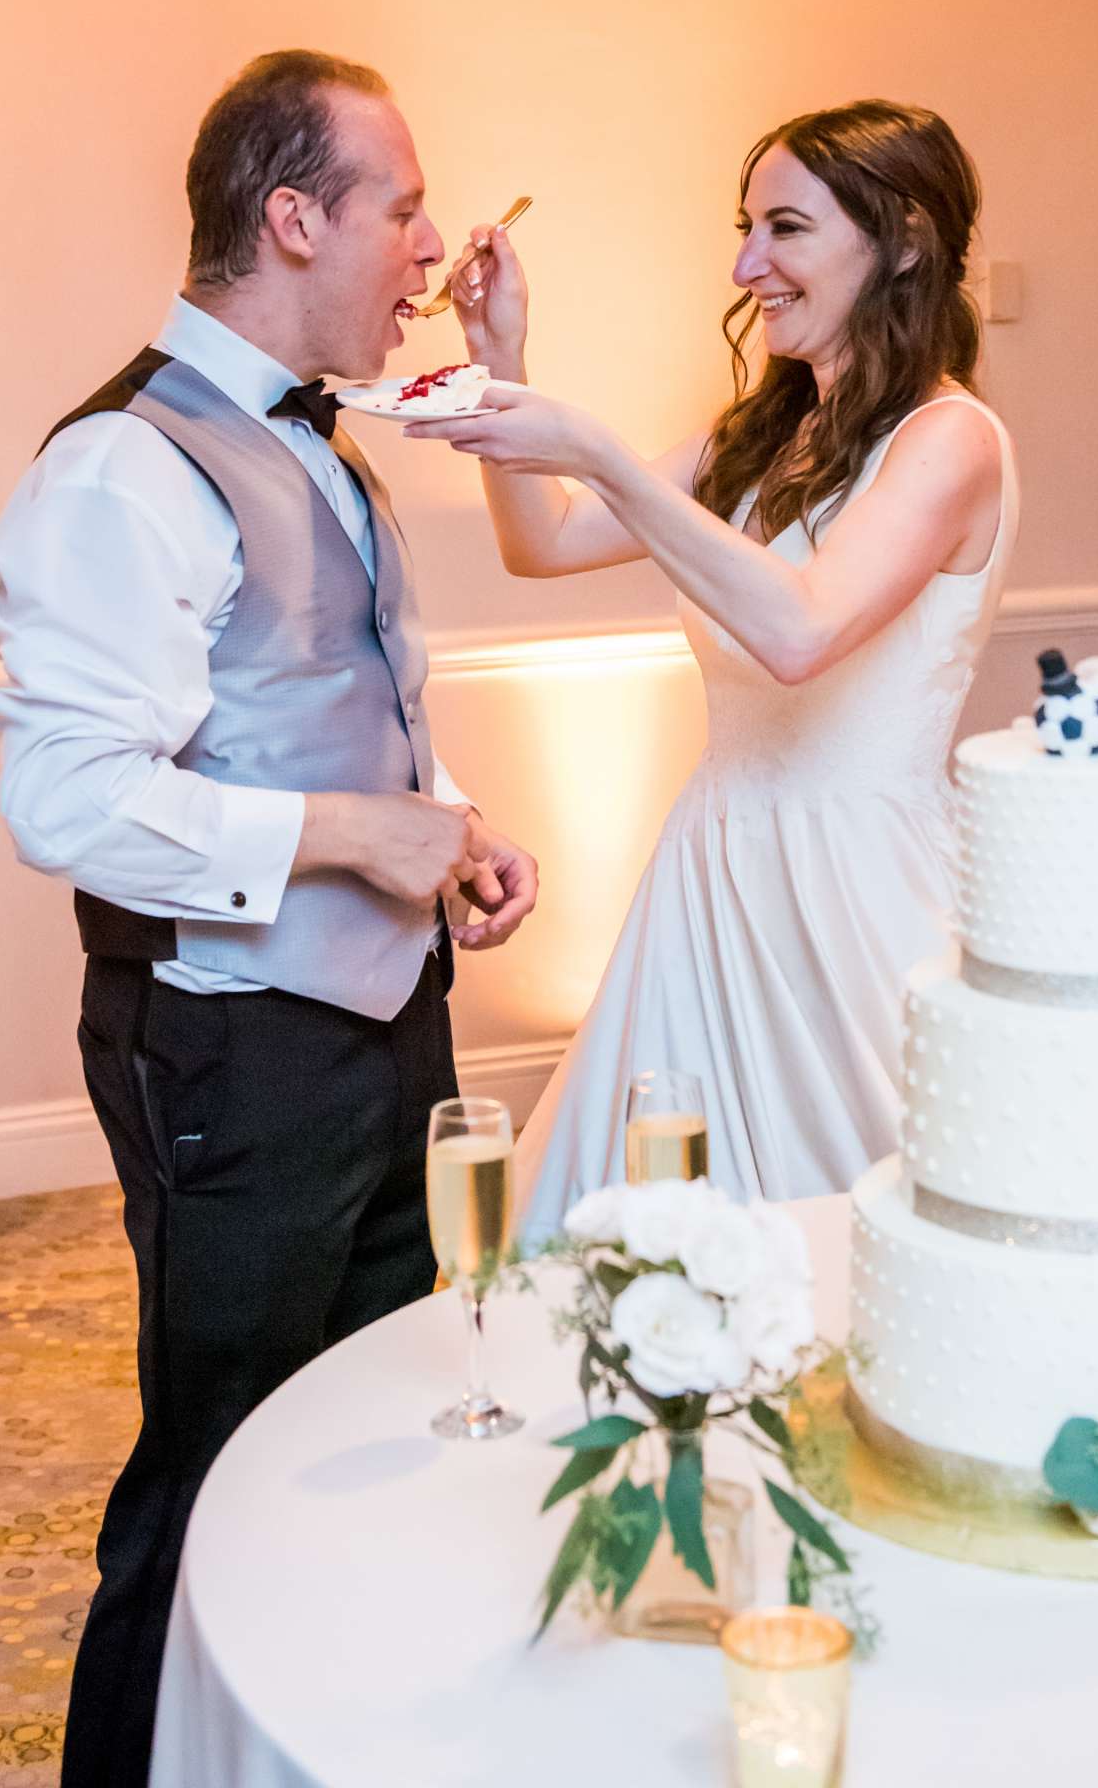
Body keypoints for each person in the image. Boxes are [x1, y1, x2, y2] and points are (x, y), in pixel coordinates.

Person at [0, 50, 538, 1787]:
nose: (432, 243)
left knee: (368, 1421)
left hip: (384, 1025)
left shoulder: (332, 445)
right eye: (406, 201)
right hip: (231, 1042)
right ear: (292, 217)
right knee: (216, 1469)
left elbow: (308, 704)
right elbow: (65, 801)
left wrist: (436, 834)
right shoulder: (118, 469)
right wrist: (348, 830)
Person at [406, 99, 1016, 1240]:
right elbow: (539, 544)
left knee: (900, 1230)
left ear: (906, 238)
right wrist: (502, 361)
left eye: (784, 229)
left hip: (859, 886)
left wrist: (599, 451)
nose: (747, 267)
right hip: (710, 867)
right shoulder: (749, 438)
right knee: (648, 1239)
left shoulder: (950, 442)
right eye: (744, 230)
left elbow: (800, 635)